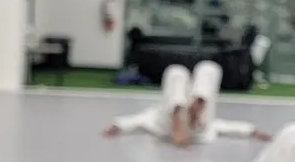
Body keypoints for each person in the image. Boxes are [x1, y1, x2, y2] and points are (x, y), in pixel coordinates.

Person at [102, 60, 269, 146]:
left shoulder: (153, 116)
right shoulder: (154, 117)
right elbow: (224, 126)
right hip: (194, 127)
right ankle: (179, 113)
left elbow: (137, 120)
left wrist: (117, 125)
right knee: (195, 70)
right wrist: (252, 130)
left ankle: (190, 108)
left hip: (194, 123)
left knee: (179, 71)